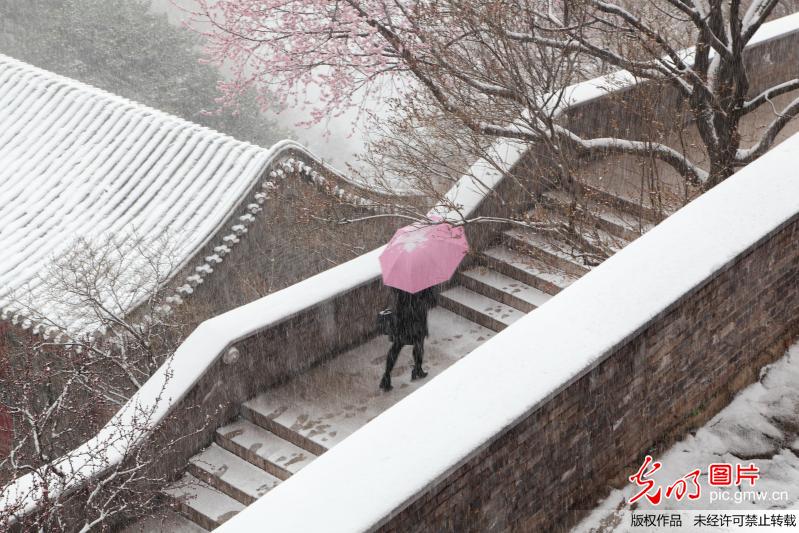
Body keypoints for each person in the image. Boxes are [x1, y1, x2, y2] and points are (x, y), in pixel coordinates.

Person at [379, 286, 437, 391]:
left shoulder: (403, 280)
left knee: (397, 346)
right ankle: (417, 369)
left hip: (402, 318)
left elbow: (395, 293)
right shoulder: (424, 281)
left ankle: (386, 376)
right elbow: (432, 302)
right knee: (418, 343)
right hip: (417, 318)